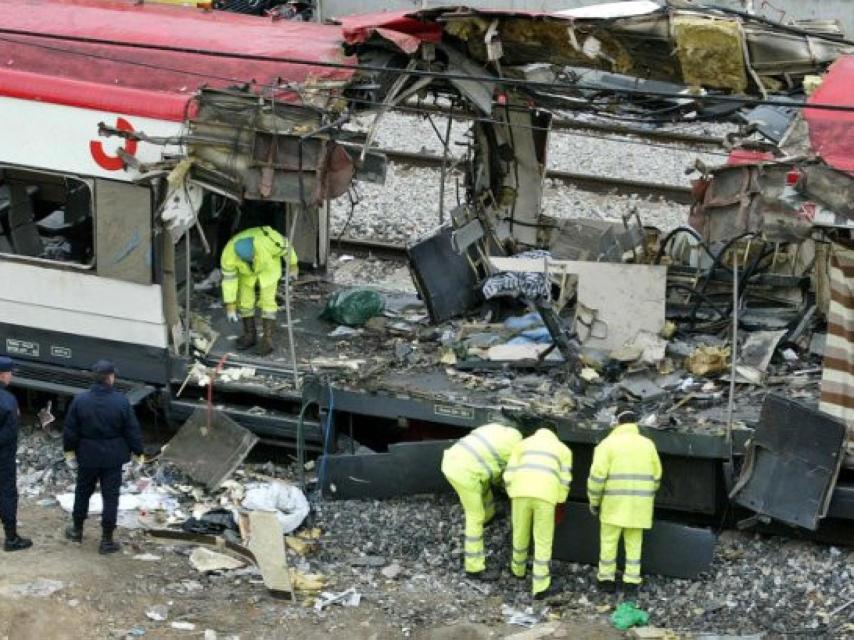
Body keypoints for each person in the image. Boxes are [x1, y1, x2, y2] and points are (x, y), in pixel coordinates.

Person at [63, 360, 144, 554]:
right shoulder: (121, 401)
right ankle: (107, 540)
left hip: (87, 455)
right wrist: (138, 452)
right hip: (113, 457)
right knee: (110, 497)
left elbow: (70, 430)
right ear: (110, 378)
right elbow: (132, 430)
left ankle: (76, 530)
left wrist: (69, 451)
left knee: (82, 492)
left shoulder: (80, 400)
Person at [587, 405, 662, 596]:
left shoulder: (606, 445)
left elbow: (596, 478)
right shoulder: (648, 445)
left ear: (616, 422)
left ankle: (606, 580)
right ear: (635, 422)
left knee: (609, 542)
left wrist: (594, 502)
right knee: (634, 544)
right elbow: (656, 476)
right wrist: (645, 495)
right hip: (639, 505)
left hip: (613, 504)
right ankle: (631, 582)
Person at [441, 422, 522, 581]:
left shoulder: (496, 428)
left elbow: (492, 466)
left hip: (452, 459)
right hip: (464, 473)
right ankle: (474, 568)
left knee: (484, 487)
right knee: (475, 516)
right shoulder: (516, 449)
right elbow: (506, 476)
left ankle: (489, 516)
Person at [503, 425, 572, 600]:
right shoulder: (563, 450)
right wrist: (560, 501)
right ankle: (540, 586)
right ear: (555, 434)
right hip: (546, 496)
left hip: (520, 493)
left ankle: (517, 570)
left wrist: (512, 492)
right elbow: (565, 480)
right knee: (543, 540)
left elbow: (508, 474)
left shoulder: (522, 444)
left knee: (520, 532)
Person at [221, 226, 298, 357]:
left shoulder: (268, 240)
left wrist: (293, 266)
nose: (251, 260)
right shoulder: (228, 254)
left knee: (267, 302)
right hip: (246, 274)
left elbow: (287, 248)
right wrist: (230, 305)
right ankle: (249, 335)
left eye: (252, 257)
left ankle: (267, 339)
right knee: (244, 302)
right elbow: (229, 280)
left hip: (268, 270)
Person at [0, 356, 32, 552]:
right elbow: (9, 433)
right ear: (2, 375)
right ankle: (11, 538)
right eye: (10, 373)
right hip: (3, 458)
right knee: (7, 494)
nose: (11, 376)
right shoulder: (8, 400)